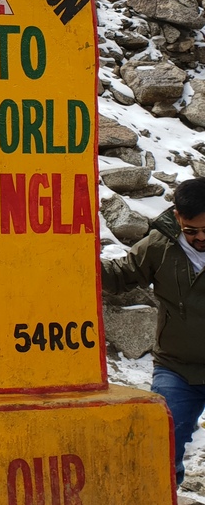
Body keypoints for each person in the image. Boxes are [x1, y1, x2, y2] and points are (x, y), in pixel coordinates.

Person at [101, 177, 205, 486]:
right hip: (177, 367)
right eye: (191, 231)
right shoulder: (159, 246)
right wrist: (78, 259)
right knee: (160, 442)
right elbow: (121, 276)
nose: (200, 237)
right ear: (177, 217)